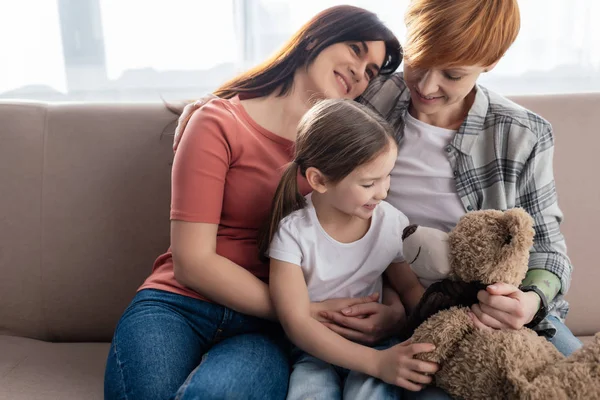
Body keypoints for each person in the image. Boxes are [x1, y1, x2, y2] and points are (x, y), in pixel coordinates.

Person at [175, 1, 582, 398]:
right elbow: (300, 113)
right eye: (419, 62)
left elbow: (548, 249)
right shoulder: (373, 95)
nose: (426, 86)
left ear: (490, 63)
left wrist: (528, 301)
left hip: (480, 313)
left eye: (453, 75)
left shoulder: (522, 134)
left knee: (577, 377)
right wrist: (209, 108)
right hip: (388, 306)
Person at [103, 5, 404, 400]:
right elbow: (192, 263)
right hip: (177, 305)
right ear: (314, 37)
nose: (359, 71)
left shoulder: (349, 154)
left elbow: (377, 237)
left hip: (263, 330)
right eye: (355, 49)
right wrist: (302, 311)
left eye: (370, 72)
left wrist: (396, 314)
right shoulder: (217, 121)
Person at [263, 98, 438, 399]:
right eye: (369, 183)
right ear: (319, 180)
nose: (382, 192)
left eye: (387, 176)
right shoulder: (293, 233)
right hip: (314, 350)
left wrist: (439, 326)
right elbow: (296, 322)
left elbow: (410, 289)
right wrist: (376, 363)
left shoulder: (391, 223)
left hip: (377, 341)